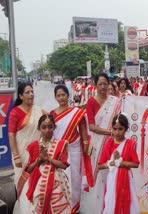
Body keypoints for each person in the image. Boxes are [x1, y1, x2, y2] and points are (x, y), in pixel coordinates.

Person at [50, 84, 93, 213]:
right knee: (59, 178)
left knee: (74, 178)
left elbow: (83, 129)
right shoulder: (52, 114)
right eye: (58, 95)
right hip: (58, 150)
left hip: (74, 150)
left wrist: (85, 144)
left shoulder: (77, 112)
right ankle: (62, 206)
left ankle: (74, 206)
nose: (61, 98)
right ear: (55, 97)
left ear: (68, 95)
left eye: (63, 95)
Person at [81, 73, 120, 214]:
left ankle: (111, 206)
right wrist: (110, 133)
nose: (103, 87)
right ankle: (98, 208)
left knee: (112, 173)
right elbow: (91, 126)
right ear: (95, 85)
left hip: (114, 143)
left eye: (105, 84)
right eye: (100, 84)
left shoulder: (115, 101)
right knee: (99, 174)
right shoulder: (91, 102)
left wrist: (115, 134)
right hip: (98, 144)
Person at [8, 83, 45, 213]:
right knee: (24, 186)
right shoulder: (15, 112)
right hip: (22, 156)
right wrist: (16, 156)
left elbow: (52, 121)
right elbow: (11, 135)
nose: (31, 95)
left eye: (32, 92)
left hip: (37, 155)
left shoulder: (39, 110)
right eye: (28, 92)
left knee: (37, 185)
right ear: (21, 96)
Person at [25, 114, 71, 213]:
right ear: (39, 128)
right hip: (39, 182)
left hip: (56, 180)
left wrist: (48, 158)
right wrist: (39, 160)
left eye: (50, 127)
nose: (47, 130)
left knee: (57, 208)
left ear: (54, 127)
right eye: (44, 127)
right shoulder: (34, 146)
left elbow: (64, 165)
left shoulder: (61, 144)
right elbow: (29, 169)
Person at [98, 113, 140, 214]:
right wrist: (111, 163)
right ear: (112, 128)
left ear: (125, 129)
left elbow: (136, 164)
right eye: (115, 128)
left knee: (128, 203)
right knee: (111, 202)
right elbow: (100, 165)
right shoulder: (109, 143)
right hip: (112, 179)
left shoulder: (130, 144)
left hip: (126, 179)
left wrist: (121, 162)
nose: (117, 132)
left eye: (120, 129)